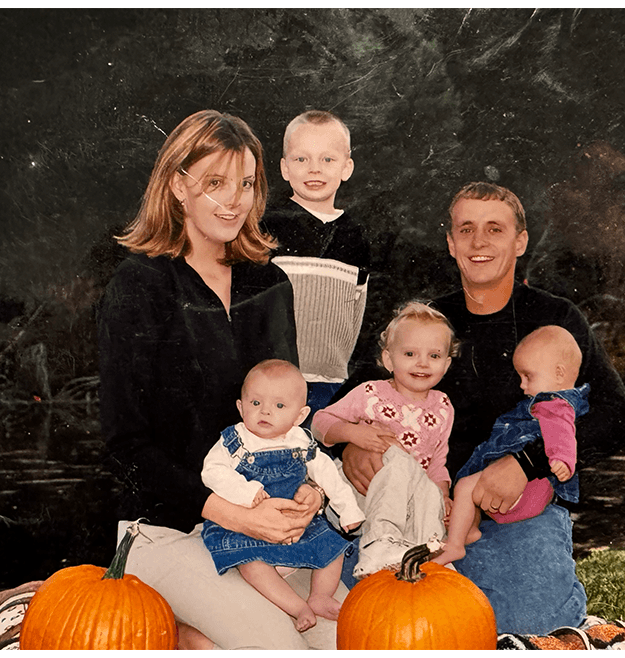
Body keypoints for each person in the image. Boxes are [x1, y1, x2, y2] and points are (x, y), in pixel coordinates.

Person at [339, 182, 625, 635]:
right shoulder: (423, 322)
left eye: (494, 229)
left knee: (534, 628)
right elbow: (350, 401)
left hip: (514, 508)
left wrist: (526, 462)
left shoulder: (555, 319)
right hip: (419, 503)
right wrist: (349, 449)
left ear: (520, 241)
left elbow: (618, 420)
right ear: (451, 242)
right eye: (466, 229)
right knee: (375, 619)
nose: (478, 242)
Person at [97, 110, 344, 650]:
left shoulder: (270, 284)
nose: (234, 200)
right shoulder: (140, 285)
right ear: (177, 185)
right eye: (215, 183)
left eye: (247, 184)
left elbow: (286, 416)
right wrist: (230, 512)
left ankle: (194, 637)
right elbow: (125, 444)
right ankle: (180, 632)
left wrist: (306, 490)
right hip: (168, 530)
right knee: (282, 648)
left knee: (351, 638)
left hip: (268, 529)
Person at [200, 360, 364, 632]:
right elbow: (212, 471)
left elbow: (328, 475)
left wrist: (348, 509)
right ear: (240, 407)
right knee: (250, 564)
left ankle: (321, 596)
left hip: (297, 525)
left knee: (334, 545)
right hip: (248, 528)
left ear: (299, 416)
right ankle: (296, 606)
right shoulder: (235, 441)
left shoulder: (300, 440)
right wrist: (245, 492)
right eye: (255, 404)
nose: (265, 411)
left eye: (279, 406)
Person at [312, 301, 456, 579]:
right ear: (388, 359)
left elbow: (437, 461)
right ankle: (378, 544)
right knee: (400, 462)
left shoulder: (443, 406)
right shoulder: (371, 393)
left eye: (434, 355)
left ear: (446, 364)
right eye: (410, 353)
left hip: (406, 503)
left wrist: (444, 494)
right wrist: (353, 433)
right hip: (359, 495)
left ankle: (426, 553)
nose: (422, 363)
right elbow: (319, 422)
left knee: (427, 487)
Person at [433, 325, 588, 566]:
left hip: (525, 493)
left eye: (528, 376)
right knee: (471, 486)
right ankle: (469, 529)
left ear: (559, 373)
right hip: (529, 496)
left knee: (464, 486)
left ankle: (455, 545)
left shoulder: (553, 404)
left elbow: (563, 434)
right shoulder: (554, 403)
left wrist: (562, 459)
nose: (522, 385)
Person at [260, 110, 371, 422]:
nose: (314, 170)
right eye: (301, 160)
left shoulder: (356, 237)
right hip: (273, 382)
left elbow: (358, 312)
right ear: (284, 168)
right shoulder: (268, 228)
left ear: (346, 167)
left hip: (331, 385)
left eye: (327, 160)